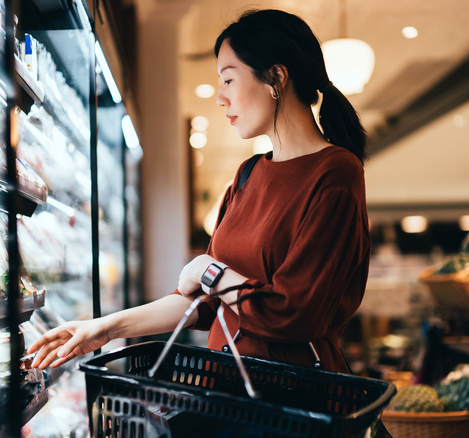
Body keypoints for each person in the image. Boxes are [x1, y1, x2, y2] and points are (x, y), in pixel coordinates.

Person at [28, 9, 370, 375]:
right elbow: (203, 302)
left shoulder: (335, 171)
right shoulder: (248, 174)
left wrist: (210, 270)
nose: (220, 98)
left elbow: (294, 314)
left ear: (276, 76)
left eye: (228, 79)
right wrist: (103, 327)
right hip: (227, 397)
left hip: (290, 406)